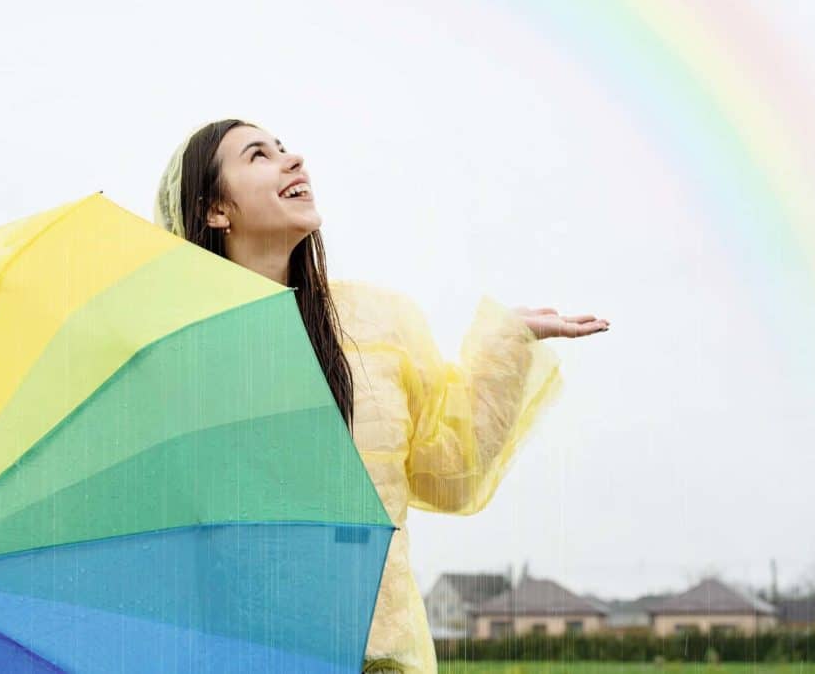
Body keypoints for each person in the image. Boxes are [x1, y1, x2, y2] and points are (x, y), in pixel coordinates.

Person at [154, 119, 609, 673]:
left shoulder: (377, 323)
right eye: (258, 156)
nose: (292, 159)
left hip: (379, 657)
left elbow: (451, 470)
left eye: (283, 147)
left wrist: (506, 347)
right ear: (214, 210)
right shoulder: (181, 363)